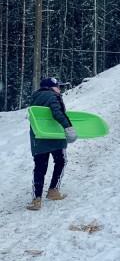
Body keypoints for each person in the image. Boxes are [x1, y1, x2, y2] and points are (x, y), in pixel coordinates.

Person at [27, 77, 77, 211]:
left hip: (39, 136)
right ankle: (53, 190)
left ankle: (36, 199)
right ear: (51, 87)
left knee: (40, 167)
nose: (59, 89)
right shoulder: (54, 96)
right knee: (61, 161)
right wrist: (68, 127)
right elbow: (57, 112)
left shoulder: (34, 97)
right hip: (55, 136)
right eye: (58, 86)